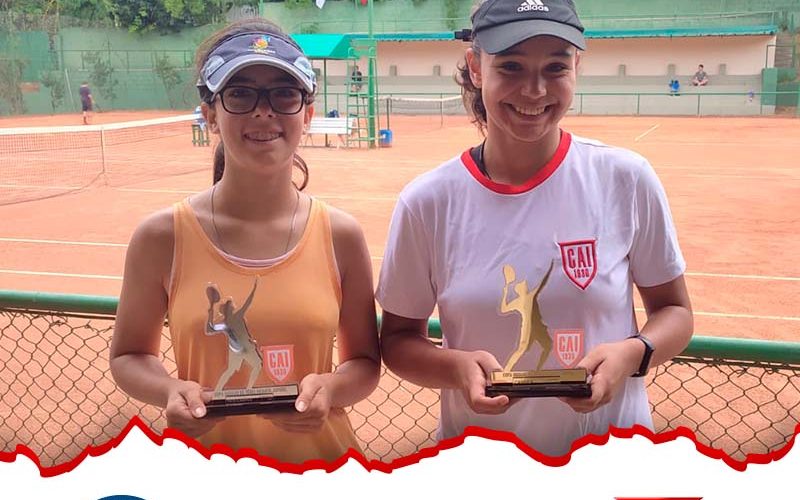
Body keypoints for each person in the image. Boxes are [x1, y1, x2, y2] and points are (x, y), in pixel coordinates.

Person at [377, 0, 693, 457]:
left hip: (611, 459)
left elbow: (675, 312)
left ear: (577, 67)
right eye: (511, 66)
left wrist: (633, 353)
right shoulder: (427, 202)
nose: (535, 90)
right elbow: (397, 341)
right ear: (476, 68)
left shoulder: (625, 178)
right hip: (483, 464)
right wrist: (456, 368)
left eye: (555, 67)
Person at [110, 18, 380, 464]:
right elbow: (129, 355)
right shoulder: (160, 237)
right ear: (210, 114)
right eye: (240, 93)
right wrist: (168, 389)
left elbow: (365, 363)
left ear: (307, 114)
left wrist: (330, 389)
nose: (263, 111)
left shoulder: (340, 235)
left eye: (284, 93)